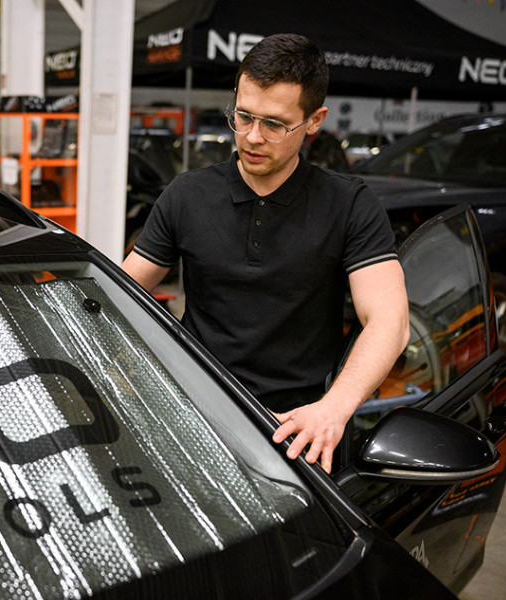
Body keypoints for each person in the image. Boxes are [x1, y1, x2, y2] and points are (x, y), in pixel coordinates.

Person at [122, 33, 409, 475]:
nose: (252, 138)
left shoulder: (349, 204)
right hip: (195, 414)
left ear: (314, 121)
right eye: (243, 117)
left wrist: (333, 409)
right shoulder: (187, 195)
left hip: (299, 430)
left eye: (274, 124)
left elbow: (390, 322)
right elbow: (122, 294)